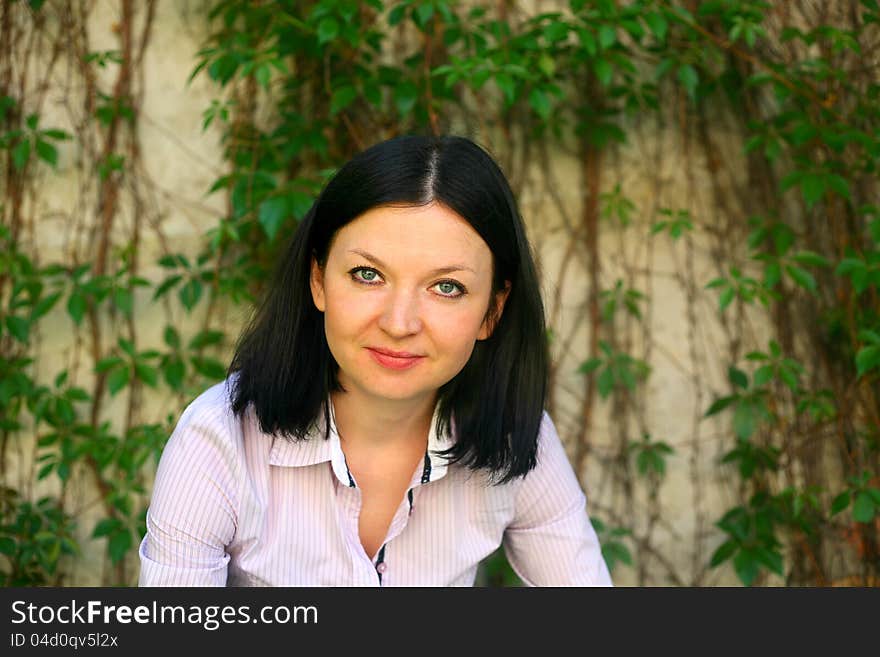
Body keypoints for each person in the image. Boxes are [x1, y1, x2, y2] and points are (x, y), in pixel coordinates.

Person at [138, 134, 612, 587]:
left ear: (492, 310)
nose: (400, 322)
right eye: (368, 275)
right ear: (319, 280)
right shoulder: (219, 439)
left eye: (447, 287)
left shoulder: (513, 433)